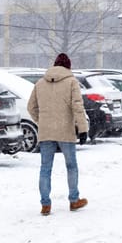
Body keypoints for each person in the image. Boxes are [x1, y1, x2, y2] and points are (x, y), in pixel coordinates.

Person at [27, 53, 89, 216]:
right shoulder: (71, 82)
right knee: (71, 166)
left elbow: (31, 107)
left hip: (46, 132)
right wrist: (82, 129)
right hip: (66, 131)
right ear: (68, 66)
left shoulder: (40, 83)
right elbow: (77, 106)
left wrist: (42, 122)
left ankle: (45, 204)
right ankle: (74, 200)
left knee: (45, 168)